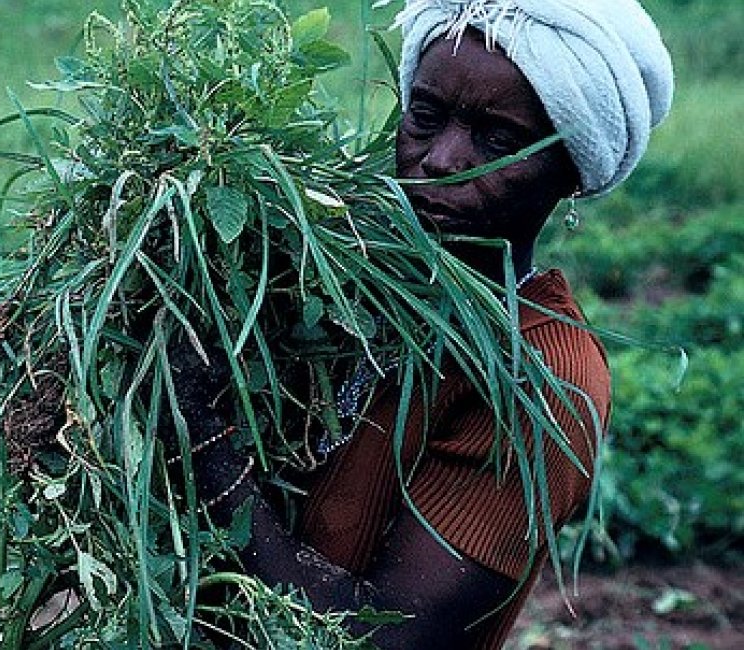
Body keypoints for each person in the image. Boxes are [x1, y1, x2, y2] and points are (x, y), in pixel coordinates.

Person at [173, 1, 674, 648]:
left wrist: (204, 439)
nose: (439, 159)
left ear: (570, 171)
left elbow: (391, 637)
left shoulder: (546, 379)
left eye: (497, 141)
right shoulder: (321, 275)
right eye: (427, 118)